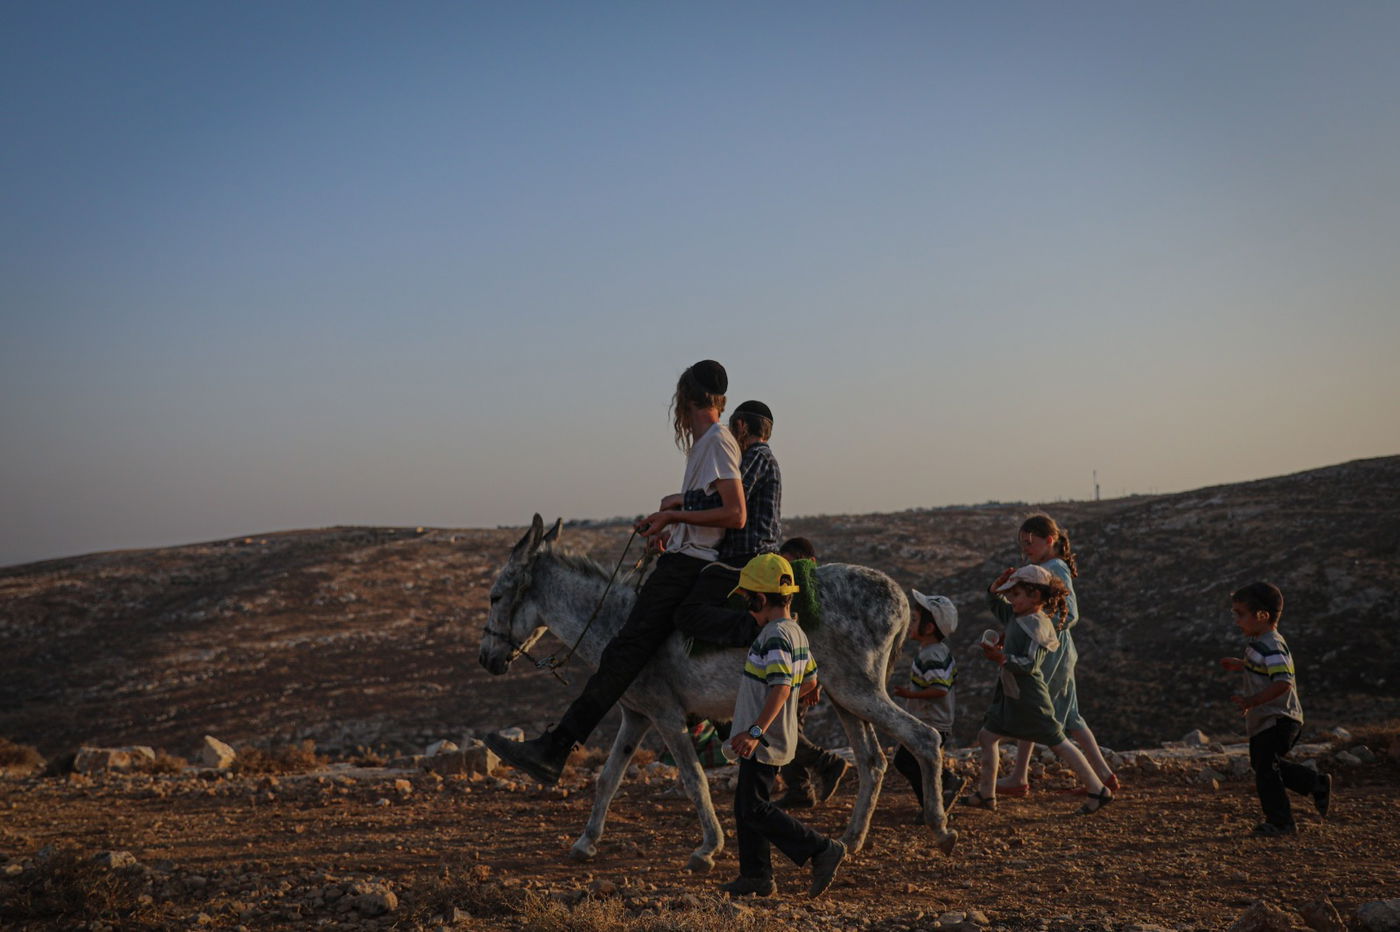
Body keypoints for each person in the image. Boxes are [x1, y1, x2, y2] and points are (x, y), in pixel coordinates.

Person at [486, 360, 746, 785]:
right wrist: (672, 520)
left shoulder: (717, 441)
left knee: (622, 654)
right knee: (626, 652)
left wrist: (672, 519)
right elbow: (710, 511)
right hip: (682, 558)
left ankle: (556, 748)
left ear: (686, 397)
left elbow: (735, 513)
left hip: (689, 566)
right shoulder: (706, 444)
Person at [720, 553, 847, 899]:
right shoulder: (796, 632)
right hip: (773, 736)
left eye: (748, 602)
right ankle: (756, 876)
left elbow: (780, 687)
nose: (748, 609)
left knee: (754, 808)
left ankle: (822, 849)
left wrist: (755, 731)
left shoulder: (773, 636)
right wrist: (796, 696)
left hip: (763, 739)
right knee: (746, 807)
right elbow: (810, 680)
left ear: (761, 599)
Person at [963, 565, 1113, 815]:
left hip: (1029, 696)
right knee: (987, 737)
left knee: (1058, 742)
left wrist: (1000, 658)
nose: (1011, 600)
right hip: (1010, 694)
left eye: (1017, 594)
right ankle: (986, 794)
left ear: (1035, 597)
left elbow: (1031, 664)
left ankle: (1098, 790)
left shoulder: (1038, 627)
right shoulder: (1016, 615)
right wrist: (994, 587)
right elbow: (995, 603)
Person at [994, 514, 1118, 798]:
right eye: (1022, 542)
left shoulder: (1054, 568)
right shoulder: (1042, 567)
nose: (1025, 548)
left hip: (1052, 653)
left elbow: (1070, 614)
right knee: (1065, 715)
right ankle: (1101, 774)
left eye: (1030, 542)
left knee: (1037, 709)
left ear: (1049, 540)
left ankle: (1023, 777)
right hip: (1053, 651)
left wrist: (1036, 630)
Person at [1219, 581, 1332, 836]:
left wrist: (1253, 701)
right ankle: (1314, 783)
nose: (1236, 620)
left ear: (1262, 615)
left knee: (1266, 770)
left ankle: (1281, 822)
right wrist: (1241, 665)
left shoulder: (1272, 644)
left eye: (1240, 614)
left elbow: (1283, 681)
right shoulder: (1261, 643)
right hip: (1270, 719)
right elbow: (1263, 668)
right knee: (1265, 765)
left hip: (1278, 719)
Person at [673, 399, 783, 649]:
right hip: (750, 553)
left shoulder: (756, 456)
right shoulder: (763, 457)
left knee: (688, 612)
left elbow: (726, 500)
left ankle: (757, 632)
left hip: (747, 557)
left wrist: (680, 502)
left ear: (741, 426)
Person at [771, 536, 850, 809]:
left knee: (784, 730)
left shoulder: (811, 597)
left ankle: (825, 763)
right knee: (789, 728)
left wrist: (815, 684)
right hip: (794, 673)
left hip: (802, 677)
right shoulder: (796, 595)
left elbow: (815, 642)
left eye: (794, 566)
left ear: (810, 563)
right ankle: (800, 789)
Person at [891, 590, 967, 812]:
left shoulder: (931, 655)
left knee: (906, 761)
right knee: (918, 762)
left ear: (930, 627)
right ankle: (940, 794)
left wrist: (910, 695)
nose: (910, 623)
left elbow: (939, 689)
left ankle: (933, 805)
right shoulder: (936, 651)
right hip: (933, 721)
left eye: (915, 620)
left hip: (931, 722)